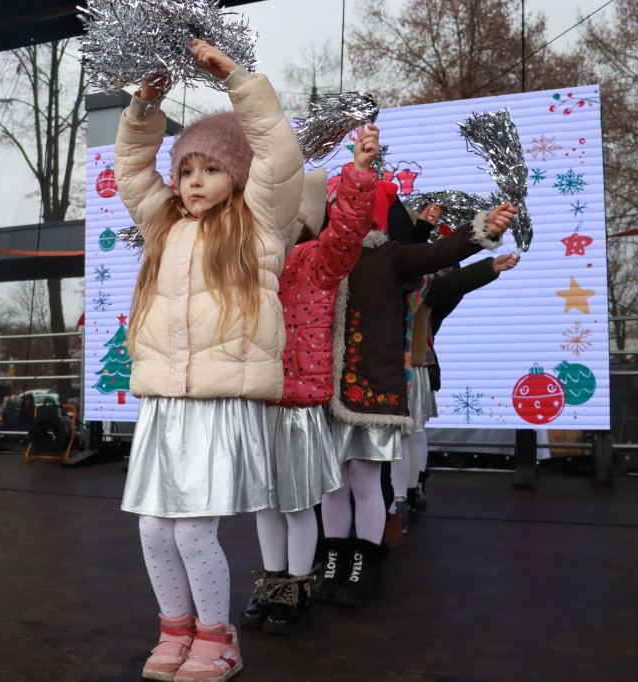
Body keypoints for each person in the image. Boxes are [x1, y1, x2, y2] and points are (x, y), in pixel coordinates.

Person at [116, 39, 303, 682]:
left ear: (238, 177)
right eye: (186, 169)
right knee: (153, 532)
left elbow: (278, 154)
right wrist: (144, 106)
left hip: (218, 400)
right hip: (165, 400)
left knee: (195, 534)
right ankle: (175, 632)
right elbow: (133, 170)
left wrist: (238, 83)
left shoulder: (259, 223)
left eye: (210, 169)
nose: (194, 182)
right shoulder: (163, 223)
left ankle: (218, 640)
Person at [313, 184, 517, 606]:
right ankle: (333, 559)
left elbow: (437, 260)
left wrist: (483, 233)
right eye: (342, 205)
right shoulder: (320, 253)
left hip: (373, 390)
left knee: (366, 479)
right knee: (332, 485)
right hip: (324, 391)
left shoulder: (391, 256)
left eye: (361, 207)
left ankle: (365, 561)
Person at [241, 125, 388, 635]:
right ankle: (271, 581)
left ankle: (296, 588)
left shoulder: (315, 264)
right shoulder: (249, 269)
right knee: (264, 503)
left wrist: (360, 174)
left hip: (301, 406)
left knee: (298, 503)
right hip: (258, 403)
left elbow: (346, 232)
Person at [402, 250, 520, 517]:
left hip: (416, 361)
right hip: (383, 362)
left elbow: (449, 290)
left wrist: (482, 264)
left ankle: (411, 490)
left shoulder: (428, 272)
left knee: (413, 429)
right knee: (403, 433)